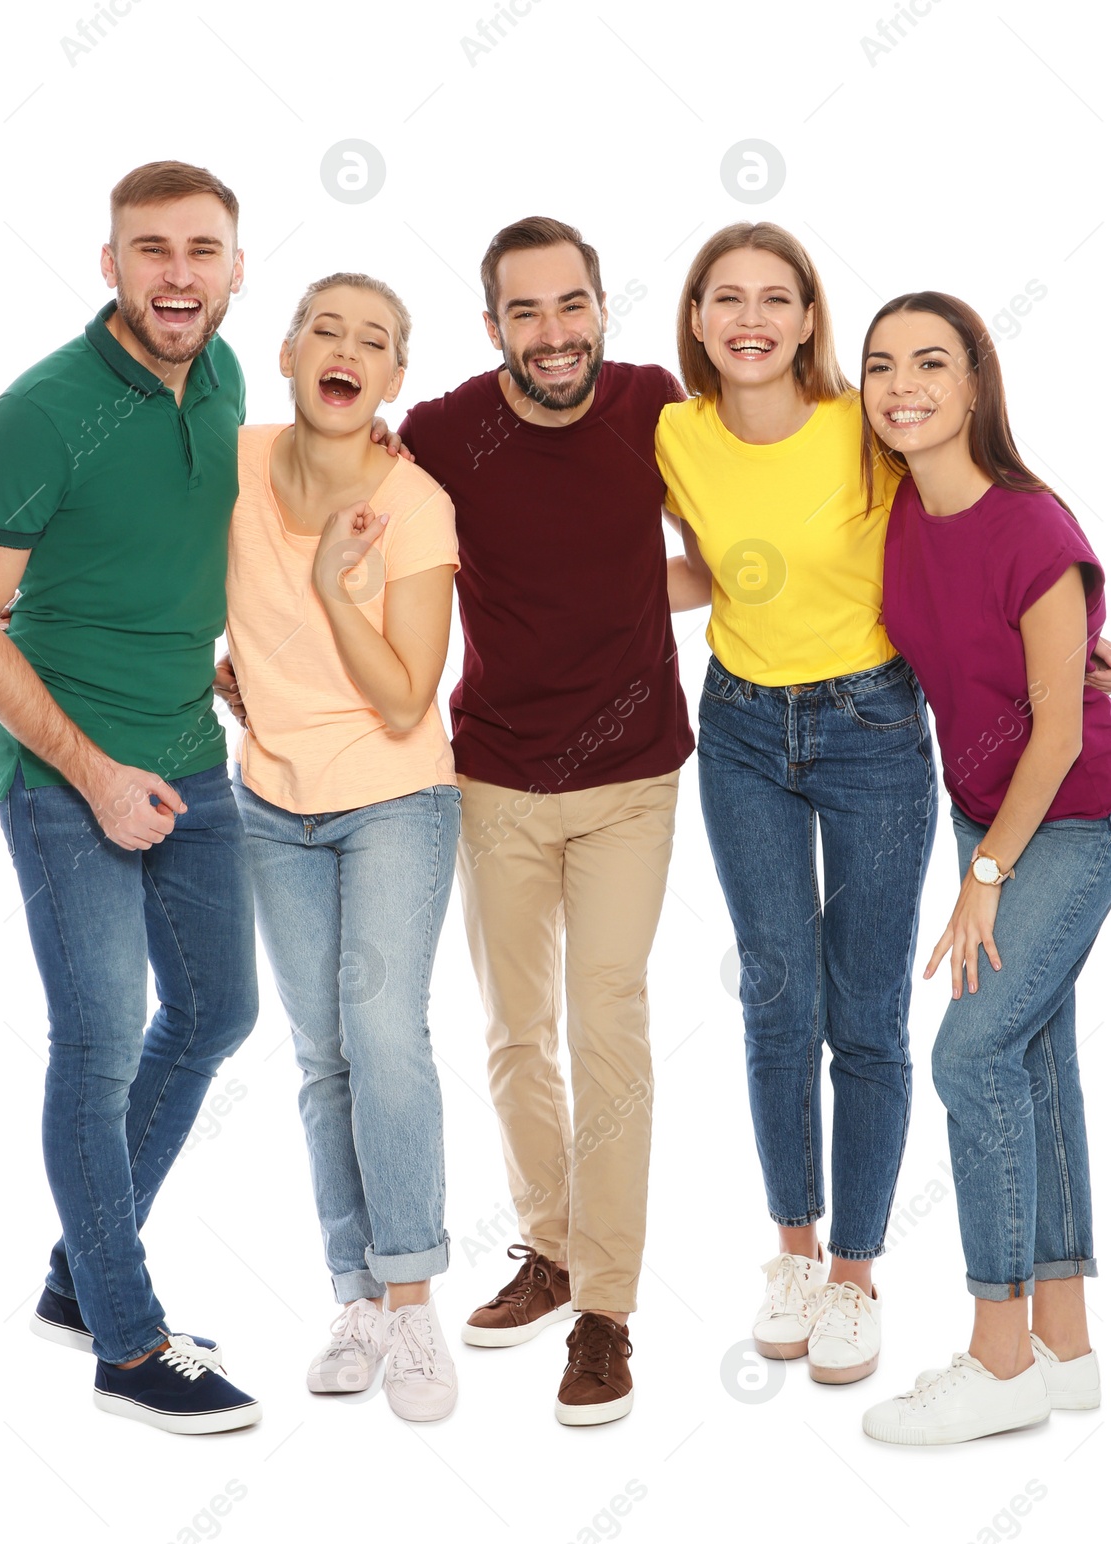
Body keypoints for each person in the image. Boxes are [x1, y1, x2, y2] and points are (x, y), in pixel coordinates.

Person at [654, 224, 1111, 1390]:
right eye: (727, 297)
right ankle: (797, 1258)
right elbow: (726, 563)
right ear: (697, 316)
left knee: (870, 1012)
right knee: (776, 993)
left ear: (811, 319)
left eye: (777, 296)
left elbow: (996, 561)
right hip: (745, 730)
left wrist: (1066, 655)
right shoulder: (676, 432)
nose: (750, 316)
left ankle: (863, 1280)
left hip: (877, 736)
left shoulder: (866, 439)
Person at [0, 161, 261, 1433]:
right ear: (109, 262)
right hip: (65, 772)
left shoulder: (226, 379)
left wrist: (220, 647)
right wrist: (93, 771)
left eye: (201, 249)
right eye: (150, 250)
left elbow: (185, 541)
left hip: (188, 750)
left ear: (238, 267)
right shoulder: (42, 412)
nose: (177, 273)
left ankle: (82, 1273)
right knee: (100, 1035)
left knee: (221, 1009)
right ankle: (128, 1343)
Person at [397, 217, 697, 1426]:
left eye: (569, 306)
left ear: (601, 308)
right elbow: (355, 544)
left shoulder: (653, 406)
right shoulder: (443, 431)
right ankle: (549, 1245)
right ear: (493, 329)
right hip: (498, 776)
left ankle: (607, 1311)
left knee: (607, 1019)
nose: (553, 332)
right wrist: (250, 664)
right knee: (516, 1028)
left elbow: (738, 544)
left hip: (630, 775)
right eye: (525, 313)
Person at [856, 292, 1111, 1445]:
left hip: (1076, 812)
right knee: (1029, 1055)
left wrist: (984, 878)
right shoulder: (892, 512)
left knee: (969, 1050)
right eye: (881, 366)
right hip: (987, 814)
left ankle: (996, 1355)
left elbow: (1064, 734)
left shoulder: (1030, 524)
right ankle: (1064, 1348)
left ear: (976, 385)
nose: (902, 384)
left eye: (931, 362)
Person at [218, 272, 463, 1423]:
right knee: (321, 1053)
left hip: (392, 799)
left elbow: (411, 700)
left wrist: (329, 583)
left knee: (382, 1032)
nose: (347, 347)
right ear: (286, 351)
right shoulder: (235, 461)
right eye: (328, 327)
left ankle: (413, 1304)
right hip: (271, 798)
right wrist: (220, 679)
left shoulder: (411, 503)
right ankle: (355, 1296)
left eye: (375, 339)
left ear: (392, 382)